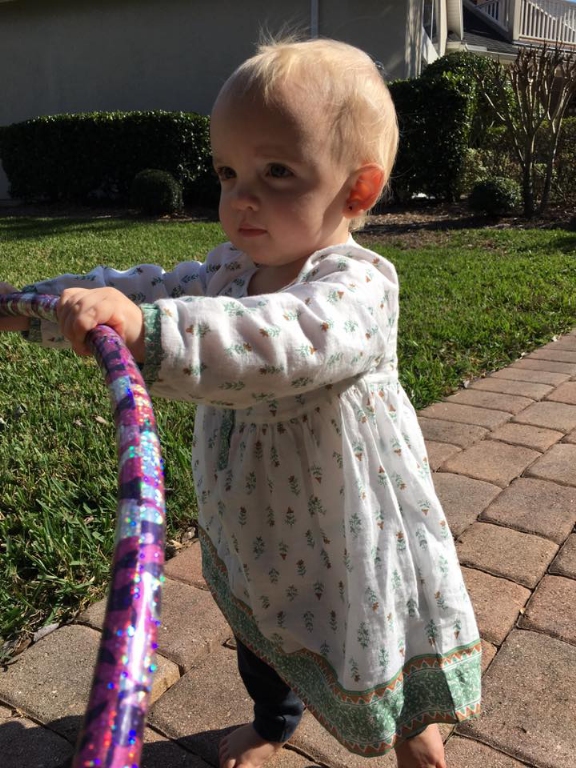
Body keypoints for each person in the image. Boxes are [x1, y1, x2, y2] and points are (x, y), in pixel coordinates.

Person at [0, 38, 481, 768]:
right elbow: (151, 287)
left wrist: (150, 332)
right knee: (262, 634)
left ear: (357, 191)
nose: (240, 196)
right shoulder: (233, 266)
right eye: (227, 172)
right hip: (255, 520)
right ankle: (273, 722)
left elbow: (273, 341)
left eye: (276, 171)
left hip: (346, 529)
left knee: (370, 633)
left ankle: (416, 732)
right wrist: (40, 305)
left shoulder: (357, 288)